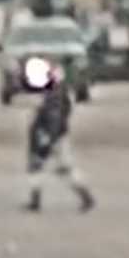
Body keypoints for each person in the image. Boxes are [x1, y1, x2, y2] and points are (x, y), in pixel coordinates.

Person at [25, 62, 96, 213]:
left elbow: (54, 117)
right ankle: (84, 197)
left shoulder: (53, 94)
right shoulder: (57, 93)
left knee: (43, 166)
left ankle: (36, 201)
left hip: (50, 136)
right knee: (54, 167)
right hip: (54, 135)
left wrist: (48, 137)